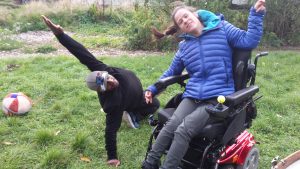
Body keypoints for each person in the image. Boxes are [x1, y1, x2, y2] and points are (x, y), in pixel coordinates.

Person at [142, 0, 266, 169]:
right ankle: (149, 163)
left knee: (183, 130)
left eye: (186, 16)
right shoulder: (184, 46)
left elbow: (248, 41)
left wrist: (256, 15)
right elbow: (172, 71)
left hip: (218, 98)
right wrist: (152, 88)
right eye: (180, 22)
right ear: (180, 28)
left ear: (195, 14)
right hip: (193, 96)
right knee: (170, 125)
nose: (185, 20)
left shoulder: (221, 27)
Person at [41, 16, 160, 167]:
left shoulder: (103, 71)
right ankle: (133, 114)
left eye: (108, 78)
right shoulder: (114, 103)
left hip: (139, 91)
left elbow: (81, 53)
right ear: (104, 91)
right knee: (155, 105)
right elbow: (110, 131)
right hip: (134, 101)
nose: (111, 81)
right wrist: (112, 157)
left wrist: (60, 35)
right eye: (108, 85)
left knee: (154, 100)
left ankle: (132, 112)